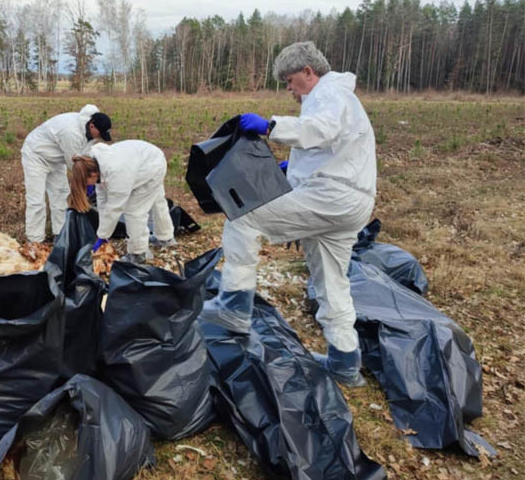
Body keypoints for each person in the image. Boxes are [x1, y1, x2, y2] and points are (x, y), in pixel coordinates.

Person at [200, 41, 377, 388]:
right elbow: (329, 146)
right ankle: (344, 363)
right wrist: (291, 169)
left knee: (241, 217)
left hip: (331, 197)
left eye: (290, 80)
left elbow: (317, 130)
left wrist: (269, 127)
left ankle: (234, 308)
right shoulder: (339, 98)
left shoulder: (328, 94)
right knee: (331, 281)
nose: (289, 89)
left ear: (308, 73)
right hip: (349, 202)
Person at [67, 140, 176, 263]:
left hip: (151, 165)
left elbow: (114, 208)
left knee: (134, 210)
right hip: (145, 157)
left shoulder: (115, 173)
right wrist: (103, 232)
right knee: (157, 201)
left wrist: (102, 236)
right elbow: (103, 203)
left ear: (93, 174)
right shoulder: (95, 165)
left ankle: (139, 253)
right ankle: (166, 237)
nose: (87, 186)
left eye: (86, 182)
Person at [20, 104, 113, 243]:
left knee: (61, 194)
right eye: (99, 134)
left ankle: (61, 235)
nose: (98, 137)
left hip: (56, 157)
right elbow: (76, 165)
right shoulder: (71, 133)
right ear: (92, 125)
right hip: (36, 155)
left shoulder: (88, 129)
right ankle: (35, 241)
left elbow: (85, 155)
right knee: (36, 200)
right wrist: (87, 186)